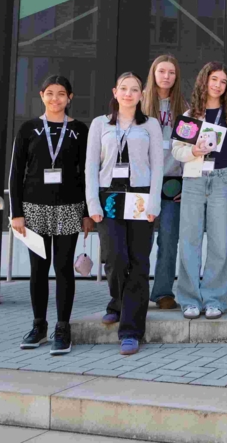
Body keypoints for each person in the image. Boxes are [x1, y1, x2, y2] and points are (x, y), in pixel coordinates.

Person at [9, 75, 93, 355]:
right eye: (49, 93)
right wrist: (16, 213)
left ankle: (63, 327)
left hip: (69, 208)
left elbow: (87, 174)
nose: (55, 99)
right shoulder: (28, 129)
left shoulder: (80, 130)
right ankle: (39, 325)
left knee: (64, 268)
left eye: (61, 94)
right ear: (41, 95)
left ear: (70, 97)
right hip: (33, 209)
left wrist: (86, 213)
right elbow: (16, 174)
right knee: (38, 270)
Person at [86, 72, 164, 356]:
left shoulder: (151, 125)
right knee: (116, 257)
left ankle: (131, 330)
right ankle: (116, 302)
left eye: (134, 89)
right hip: (109, 196)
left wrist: (154, 203)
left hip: (140, 195)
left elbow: (157, 166)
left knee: (138, 262)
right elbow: (91, 166)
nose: (128, 93)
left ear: (141, 95)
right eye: (123, 89)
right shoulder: (100, 124)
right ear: (115, 92)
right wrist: (92, 203)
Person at [172, 62, 227, 320]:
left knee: (220, 242)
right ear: (205, 81)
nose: (218, 85)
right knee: (189, 241)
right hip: (194, 179)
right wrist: (194, 151)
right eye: (214, 79)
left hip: (222, 180)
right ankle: (190, 299)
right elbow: (176, 150)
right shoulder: (190, 114)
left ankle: (215, 299)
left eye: (223, 81)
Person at [140, 55, 187, 311]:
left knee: (169, 239)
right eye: (161, 71)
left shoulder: (184, 106)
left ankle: (163, 291)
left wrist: (187, 184)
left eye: (171, 72)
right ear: (153, 73)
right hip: (144, 182)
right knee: (141, 241)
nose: (166, 76)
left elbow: (190, 149)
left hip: (173, 182)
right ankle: (136, 290)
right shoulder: (140, 102)